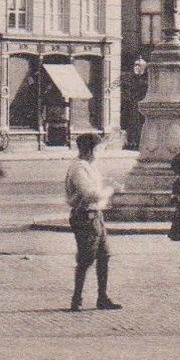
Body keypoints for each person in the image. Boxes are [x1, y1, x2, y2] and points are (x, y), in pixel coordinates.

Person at [64, 132, 120, 311]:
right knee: (86, 258)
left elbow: (97, 187)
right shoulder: (79, 168)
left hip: (96, 216)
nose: (100, 152)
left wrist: (108, 184)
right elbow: (89, 194)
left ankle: (102, 297)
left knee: (104, 256)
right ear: (90, 150)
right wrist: (110, 190)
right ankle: (77, 299)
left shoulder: (89, 166)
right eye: (98, 148)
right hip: (85, 217)